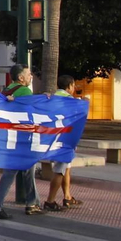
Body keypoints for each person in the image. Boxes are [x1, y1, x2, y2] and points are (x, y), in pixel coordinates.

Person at [0, 64, 43, 219]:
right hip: (23, 137)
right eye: (29, 74)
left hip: (10, 137)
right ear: (21, 77)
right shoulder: (25, 91)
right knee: (13, 172)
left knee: (27, 170)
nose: (30, 77)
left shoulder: (7, 90)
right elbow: (33, 110)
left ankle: (32, 202)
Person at [44, 74, 82, 211]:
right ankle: (50, 200)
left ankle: (67, 196)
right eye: (73, 85)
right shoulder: (70, 101)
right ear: (70, 86)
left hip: (53, 138)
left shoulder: (51, 98)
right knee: (60, 170)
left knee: (66, 168)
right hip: (64, 140)